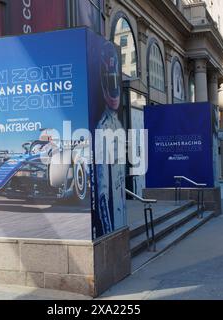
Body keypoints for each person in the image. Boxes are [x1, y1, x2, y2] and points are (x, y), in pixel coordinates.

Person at [95, 42, 126, 237]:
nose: (114, 90)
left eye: (116, 82)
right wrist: (109, 234)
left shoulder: (118, 125)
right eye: (109, 81)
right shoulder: (103, 127)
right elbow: (102, 193)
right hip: (114, 220)